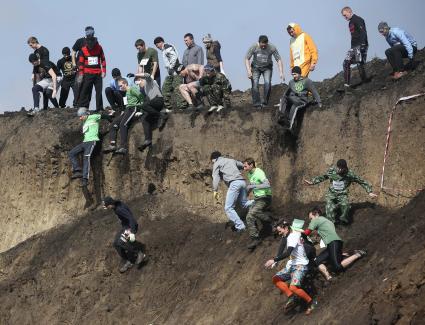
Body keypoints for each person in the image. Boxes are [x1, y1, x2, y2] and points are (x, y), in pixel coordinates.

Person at [264, 219, 316, 315]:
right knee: (276, 279)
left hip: (301, 266)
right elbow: (282, 247)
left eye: (280, 231)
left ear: (286, 228)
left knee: (293, 287)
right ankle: (292, 297)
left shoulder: (292, 236)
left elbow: (288, 252)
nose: (279, 234)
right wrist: (275, 261)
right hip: (293, 264)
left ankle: (312, 302)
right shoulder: (288, 236)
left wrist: (274, 260)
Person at [304, 159, 378, 224]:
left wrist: (369, 191)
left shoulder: (350, 174)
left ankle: (343, 220)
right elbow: (323, 177)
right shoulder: (331, 171)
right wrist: (312, 182)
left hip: (342, 195)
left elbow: (361, 181)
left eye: (342, 168)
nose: (340, 170)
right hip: (331, 194)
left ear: (345, 168)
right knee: (330, 208)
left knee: (346, 206)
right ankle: (331, 223)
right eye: (339, 168)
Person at [304, 207, 367, 280]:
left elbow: (307, 232)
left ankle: (358, 254)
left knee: (337, 266)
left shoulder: (316, 220)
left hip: (333, 243)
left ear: (316, 214)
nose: (311, 220)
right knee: (317, 260)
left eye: (311, 218)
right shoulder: (326, 220)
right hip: (334, 243)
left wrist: (297, 231)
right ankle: (329, 278)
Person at [69, 107, 111, 187]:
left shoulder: (93, 117)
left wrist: (111, 122)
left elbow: (104, 116)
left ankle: (85, 179)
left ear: (85, 114)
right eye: (79, 117)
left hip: (92, 141)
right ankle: (77, 169)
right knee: (72, 153)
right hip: (84, 143)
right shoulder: (84, 122)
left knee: (86, 158)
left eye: (81, 116)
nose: (80, 118)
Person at [103, 196, 146, 273]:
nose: (107, 208)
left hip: (130, 227)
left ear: (110, 204)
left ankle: (139, 253)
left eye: (107, 206)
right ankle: (129, 261)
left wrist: (132, 232)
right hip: (125, 227)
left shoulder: (119, 209)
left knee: (121, 242)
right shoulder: (116, 206)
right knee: (116, 243)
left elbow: (131, 218)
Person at [104, 77, 144, 155]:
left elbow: (141, 97)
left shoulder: (132, 89)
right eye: (118, 86)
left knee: (123, 124)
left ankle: (123, 147)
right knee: (113, 124)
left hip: (133, 108)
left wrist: (141, 110)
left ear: (125, 84)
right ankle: (112, 145)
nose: (119, 87)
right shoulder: (126, 92)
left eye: (120, 85)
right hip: (127, 109)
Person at [211, 151, 248, 232]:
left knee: (228, 208)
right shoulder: (231, 160)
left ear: (214, 159)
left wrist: (215, 191)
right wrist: (254, 165)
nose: (212, 163)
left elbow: (215, 177)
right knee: (244, 203)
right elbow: (243, 165)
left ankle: (240, 226)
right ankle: (258, 203)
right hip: (242, 182)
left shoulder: (216, 163)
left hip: (234, 184)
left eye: (212, 161)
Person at [245, 35, 284, 108]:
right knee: (255, 84)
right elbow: (247, 58)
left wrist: (281, 72)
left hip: (267, 68)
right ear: (259, 43)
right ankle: (257, 104)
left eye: (264, 46)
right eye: (261, 46)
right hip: (255, 68)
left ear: (267, 43)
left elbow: (278, 59)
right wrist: (248, 71)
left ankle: (264, 103)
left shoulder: (272, 47)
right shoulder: (254, 47)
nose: (263, 47)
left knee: (267, 83)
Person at [278, 66, 321, 131]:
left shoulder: (307, 81)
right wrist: (281, 102)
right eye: (292, 74)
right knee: (283, 99)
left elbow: (314, 91)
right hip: (293, 98)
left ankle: (289, 124)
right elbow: (286, 93)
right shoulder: (291, 82)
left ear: (299, 73)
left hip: (302, 100)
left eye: (295, 74)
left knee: (294, 106)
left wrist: (319, 102)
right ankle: (282, 117)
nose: (294, 76)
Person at [243, 158, 273, 250]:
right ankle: (255, 238)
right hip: (257, 199)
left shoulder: (259, 172)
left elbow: (267, 184)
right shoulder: (249, 174)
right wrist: (247, 193)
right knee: (249, 217)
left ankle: (272, 221)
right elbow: (252, 185)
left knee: (253, 212)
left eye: (245, 166)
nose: (244, 168)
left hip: (265, 197)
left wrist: (254, 186)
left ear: (251, 165)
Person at [134, 73, 167, 152]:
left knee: (143, 105)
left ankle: (160, 116)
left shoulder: (150, 82)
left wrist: (136, 74)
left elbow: (148, 75)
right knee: (144, 119)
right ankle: (148, 140)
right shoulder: (145, 89)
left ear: (141, 80)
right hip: (154, 105)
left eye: (138, 83)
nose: (139, 86)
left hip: (159, 100)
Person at [154, 36, 187, 111]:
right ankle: (168, 107)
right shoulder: (164, 49)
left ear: (161, 42)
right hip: (171, 73)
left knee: (177, 87)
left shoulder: (167, 47)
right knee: (165, 88)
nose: (157, 47)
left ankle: (182, 106)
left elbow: (174, 57)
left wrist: (171, 67)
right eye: (156, 45)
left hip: (177, 71)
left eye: (157, 44)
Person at [341, 7, 368, 87]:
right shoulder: (350, 22)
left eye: (345, 15)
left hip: (360, 45)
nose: (344, 17)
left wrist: (363, 44)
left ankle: (364, 82)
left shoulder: (358, 19)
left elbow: (363, 32)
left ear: (349, 12)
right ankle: (348, 84)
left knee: (358, 62)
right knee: (348, 62)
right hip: (354, 47)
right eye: (343, 16)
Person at [77, 36, 106, 112]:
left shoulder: (99, 48)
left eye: (91, 44)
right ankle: (84, 107)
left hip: (98, 73)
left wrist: (104, 71)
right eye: (88, 44)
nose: (90, 46)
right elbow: (80, 63)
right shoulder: (83, 50)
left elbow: (103, 59)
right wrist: (81, 74)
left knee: (99, 91)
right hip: (87, 73)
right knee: (86, 90)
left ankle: (99, 108)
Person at [72, 26, 96, 106]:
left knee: (89, 85)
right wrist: (74, 64)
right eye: (89, 32)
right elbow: (73, 52)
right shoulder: (80, 41)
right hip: (81, 65)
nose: (91, 33)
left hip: (91, 67)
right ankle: (76, 103)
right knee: (78, 83)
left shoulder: (95, 41)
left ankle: (86, 104)